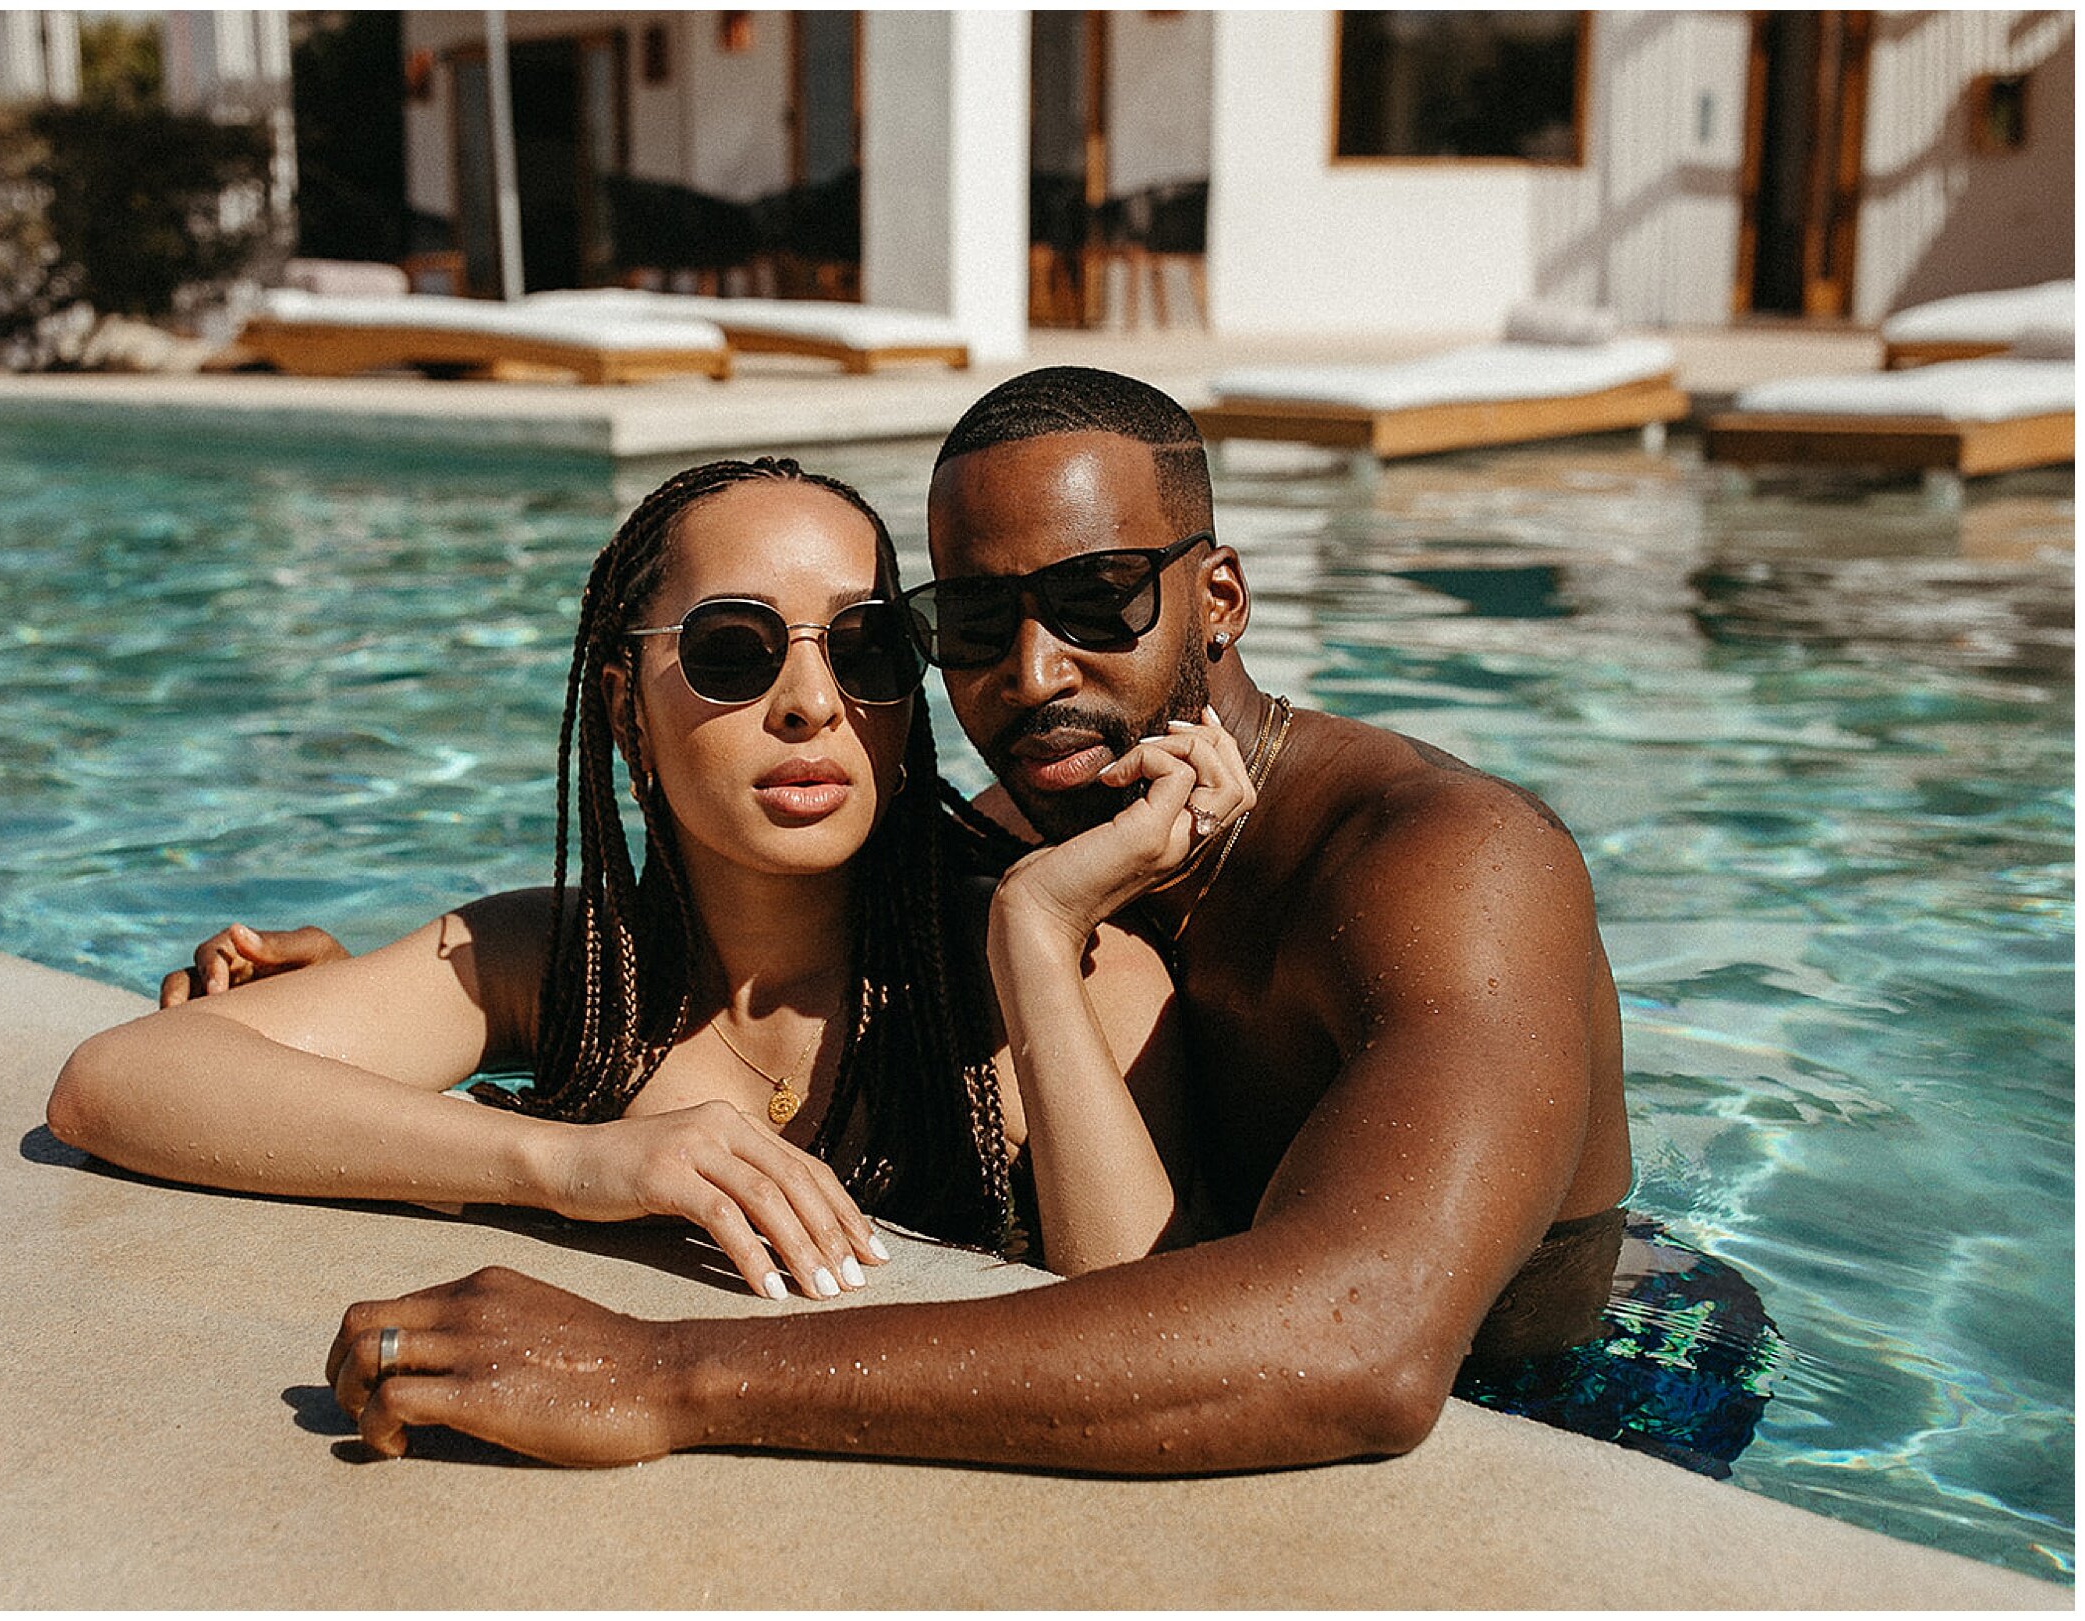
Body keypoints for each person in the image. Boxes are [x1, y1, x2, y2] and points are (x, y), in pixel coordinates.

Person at [297, 368, 1784, 1478]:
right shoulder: (1050, 826)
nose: (1032, 669)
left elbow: (1361, 1346)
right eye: (968, 621)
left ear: (1221, 597)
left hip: (1558, 1385)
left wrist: (670, 1377)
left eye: (1096, 597)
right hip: (1242, 1314)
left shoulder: (1447, 864)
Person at [50, 455, 1254, 1305]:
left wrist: (1038, 928)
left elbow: (1148, 1322)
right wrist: (577, 1164)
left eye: (865, 645)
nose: (811, 703)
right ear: (626, 705)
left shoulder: (1049, 973)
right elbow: (119, 1082)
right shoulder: (567, 965)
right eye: (733, 649)